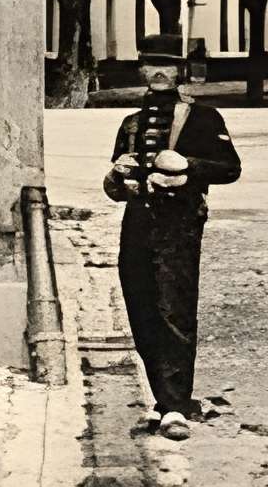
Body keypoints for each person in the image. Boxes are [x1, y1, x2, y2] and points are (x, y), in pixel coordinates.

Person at [104, 31, 242, 440]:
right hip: (137, 224)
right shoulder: (130, 123)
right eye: (152, 64)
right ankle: (161, 396)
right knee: (141, 307)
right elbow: (113, 186)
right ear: (142, 69)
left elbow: (230, 168)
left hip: (179, 226)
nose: (159, 72)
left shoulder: (203, 118)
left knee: (175, 312)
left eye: (168, 65)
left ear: (180, 71)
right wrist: (118, 177)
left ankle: (176, 404)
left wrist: (188, 167)